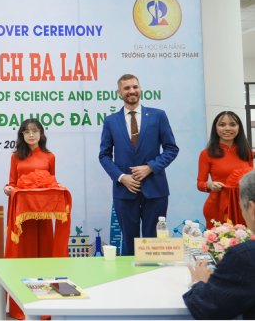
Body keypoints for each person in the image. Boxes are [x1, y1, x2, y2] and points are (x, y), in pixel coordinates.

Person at [99, 74, 179, 256]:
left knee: (153, 243)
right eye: (126, 88)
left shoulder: (158, 115)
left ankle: (153, 278)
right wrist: (121, 177)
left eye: (135, 87)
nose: (132, 91)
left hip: (156, 189)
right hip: (124, 190)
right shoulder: (111, 120)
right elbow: (104, 155)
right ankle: (130, 281)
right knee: (130, 242)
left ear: (140, 89)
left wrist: (150, 167)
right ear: (119, 92)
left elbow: (171, 149)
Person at [3, 118, 62, 319]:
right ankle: (20, 306)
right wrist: (7, 189)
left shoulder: (50, 157)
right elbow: (11, 182)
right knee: (22, 256)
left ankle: (44, 306)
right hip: (22, 216)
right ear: (21, 135)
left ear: (41, 134)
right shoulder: (15, 157)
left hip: (43, 215)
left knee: (43, 256)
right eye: (26, 131)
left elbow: (53, 183)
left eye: (35, 131)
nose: (31, 135)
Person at [183, 170, 255, 319]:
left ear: (252, 209)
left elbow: (205, 308)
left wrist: (199, 281)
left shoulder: (245, 255)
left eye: (241, 207)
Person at [197, 111, 253, 228]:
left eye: (232, 124)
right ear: (216, 128)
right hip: (217, 207)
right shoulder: (206, 154)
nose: (227, 128)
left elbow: (250, 183)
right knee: (219, 244)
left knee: (245, 243)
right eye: (222, 125)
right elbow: (200, 184)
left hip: (243, 207)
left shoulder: (247, 152)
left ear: (239, 128)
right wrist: (210, 185)